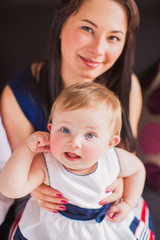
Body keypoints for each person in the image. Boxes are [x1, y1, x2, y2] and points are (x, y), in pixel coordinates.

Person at [0, 0, 142, 228]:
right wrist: (36, 187)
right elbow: (23, 173)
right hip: (49, 210)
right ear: (61, 25)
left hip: (110, 209)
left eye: (113, 37)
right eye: (87, 29)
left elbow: (128, 156)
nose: (98, 49)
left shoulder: (129, 86)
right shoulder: (20, 93)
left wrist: (124, 186)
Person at [0, 82, 155, 240]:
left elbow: (137, 169)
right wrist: (26, 149)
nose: (74, 142)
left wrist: (128, 203)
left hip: (104, 223)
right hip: (54, 226)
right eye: (65, 130)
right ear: (50, 129)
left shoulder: (114, 160)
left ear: (109, 143)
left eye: (90, 135)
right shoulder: (45, 163)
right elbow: (10, 189)